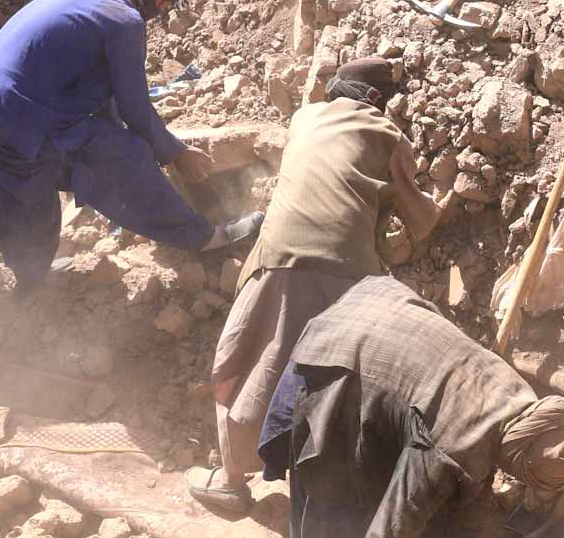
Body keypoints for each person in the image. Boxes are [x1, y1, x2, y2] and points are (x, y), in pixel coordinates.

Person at [185, 57, 443, 515]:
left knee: (248, 363)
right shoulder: (389, 136)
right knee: (333, 385)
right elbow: (421, 225)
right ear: (380, 101)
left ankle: (231, 482)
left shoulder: (303, 119)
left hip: (279, 260)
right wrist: (443, 202)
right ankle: (341, 496)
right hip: (353, 277)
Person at [0, 0, 262, 289]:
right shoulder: (125, 20)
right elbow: (133, 107)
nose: (164, 12)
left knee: (20, 171)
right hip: (21, 110)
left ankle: (30, 273)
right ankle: (203, 237)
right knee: (123, 156)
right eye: (166, 3)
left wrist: (160, 144)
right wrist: (174, 153)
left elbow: (100, 91)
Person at [258, 276, 564, 537]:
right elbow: (392, 526)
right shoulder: (453, 449)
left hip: (377, 300)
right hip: (335, 355)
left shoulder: (518, 394)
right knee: (328, 500)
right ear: (517, 462)